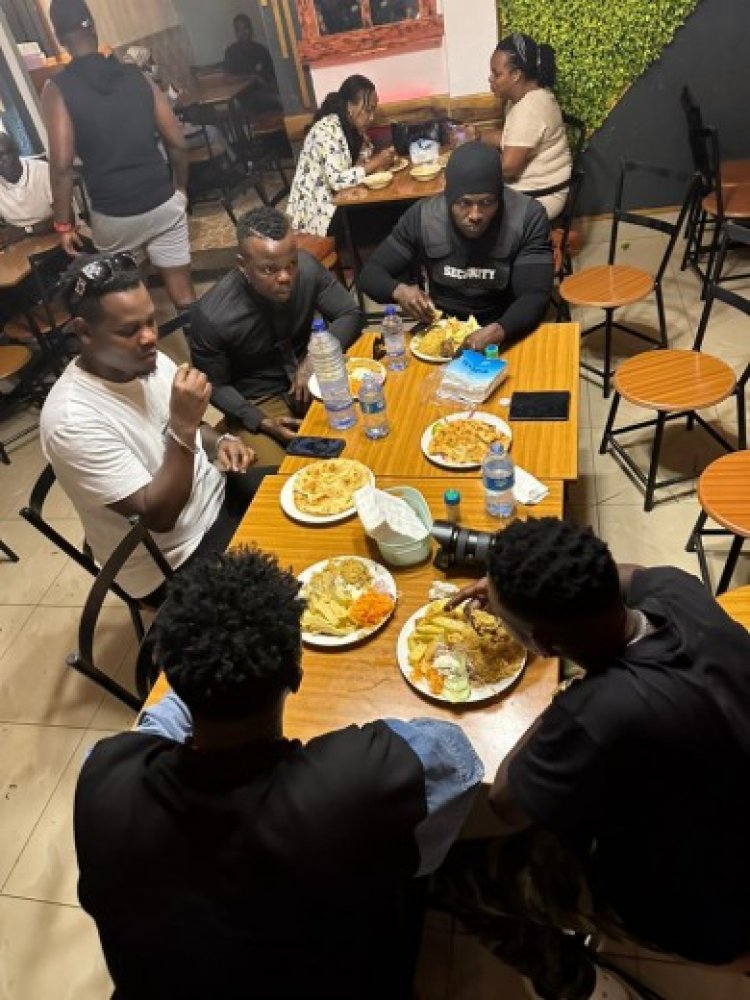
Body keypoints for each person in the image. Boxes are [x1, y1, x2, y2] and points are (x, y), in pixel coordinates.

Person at [74, 545, 484, 1000]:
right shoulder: (355, 786)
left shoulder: (101, 776)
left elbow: (156, 726)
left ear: (172, 675)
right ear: (297, 674)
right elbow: (458, 757)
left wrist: (202, 671)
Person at [435, 517, 750, 1000]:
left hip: (713, 912)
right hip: (730, 806)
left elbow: (504, 800)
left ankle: (578, 984)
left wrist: (567, 697)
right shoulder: (678, 589)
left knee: (457, 878)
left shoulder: (595, 714)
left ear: (544, 644)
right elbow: (632, 572)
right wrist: (510, 591)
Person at [40, 253, 272, 604]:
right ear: (83, 331)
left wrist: (220, 440)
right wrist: (183, 426)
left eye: (150, 320)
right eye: (128, 330)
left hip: (217, 496)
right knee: (296, 586)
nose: (149, 337)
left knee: (316, 494)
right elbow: (160, 516)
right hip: (174, 557)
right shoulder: (71, 421)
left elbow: (185, 429)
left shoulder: (145, 359)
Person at [42, 0, 196, 311]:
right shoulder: (137, 76)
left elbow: (61, 166)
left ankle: (148, 338)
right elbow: (177, 143)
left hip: (114, 215)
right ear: (93, 26)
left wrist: (64, 225)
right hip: (162, 201)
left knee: (131, 305)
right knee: (185, 298)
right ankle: (202, 339)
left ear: (59, 38)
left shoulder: (57, 89)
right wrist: (179, 189)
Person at [189, 206, 363, 465]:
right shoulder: (212, 316)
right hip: (258, 399)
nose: (285, 277)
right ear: (242, 265)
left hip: (310, 375)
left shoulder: (307, 268)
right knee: (280, 476)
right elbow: (215, 385)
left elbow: (349, 313)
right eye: (270, 270)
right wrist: (259, 420)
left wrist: (315, 356)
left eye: (291, 264)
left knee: (364, 432)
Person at [359, 140, 553, 352]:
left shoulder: (527, 217)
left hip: (505, 324)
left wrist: (497, 331)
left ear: (500, 197)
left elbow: (535, 296)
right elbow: (370, 275)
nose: (475, 215)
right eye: (464, 203)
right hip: (443, 327)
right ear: (448, 197)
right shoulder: (423, 217)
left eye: (487, 203)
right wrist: (399, 291)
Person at [473, 34, 572, 220]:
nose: (490, 79)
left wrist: (470, 167)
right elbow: (515, 138)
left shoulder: (529, 109)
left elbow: (508, 169)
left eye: (497, 74)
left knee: (467, 208)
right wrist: (476, 135)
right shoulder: (529, 95)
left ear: (516, 75)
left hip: (540, 196)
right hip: (535, 188)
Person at [287, 75, 396, 237]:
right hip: (317, 218)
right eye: (368, 110)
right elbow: (337, 181)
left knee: (390, 211)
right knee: (388, 216)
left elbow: (357, 165)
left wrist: (368, 150)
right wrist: (375, 163)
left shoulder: (349, 127)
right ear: (350, 106)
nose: (372, 117)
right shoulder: (327, 129)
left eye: (373, 110)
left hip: (337, 205)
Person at [0, 133, 54, 249]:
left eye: (2, 155)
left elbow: (67, 219)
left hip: (55, 237)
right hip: (19, 245)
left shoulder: (43, 170)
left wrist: (25, 231)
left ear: (16, 151)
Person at [223, 13, 282, 115]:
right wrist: (251, 77)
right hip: (245, 96)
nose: (243, 33)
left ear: (251, 29)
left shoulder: (261, 49)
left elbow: (273, 75)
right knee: (278, 99)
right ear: (235, 33)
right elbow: (228, 78)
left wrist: (268, 85)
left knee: (284, 97)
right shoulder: (231, 52)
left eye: (245, 28)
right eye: (239, 30)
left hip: (266, 91)